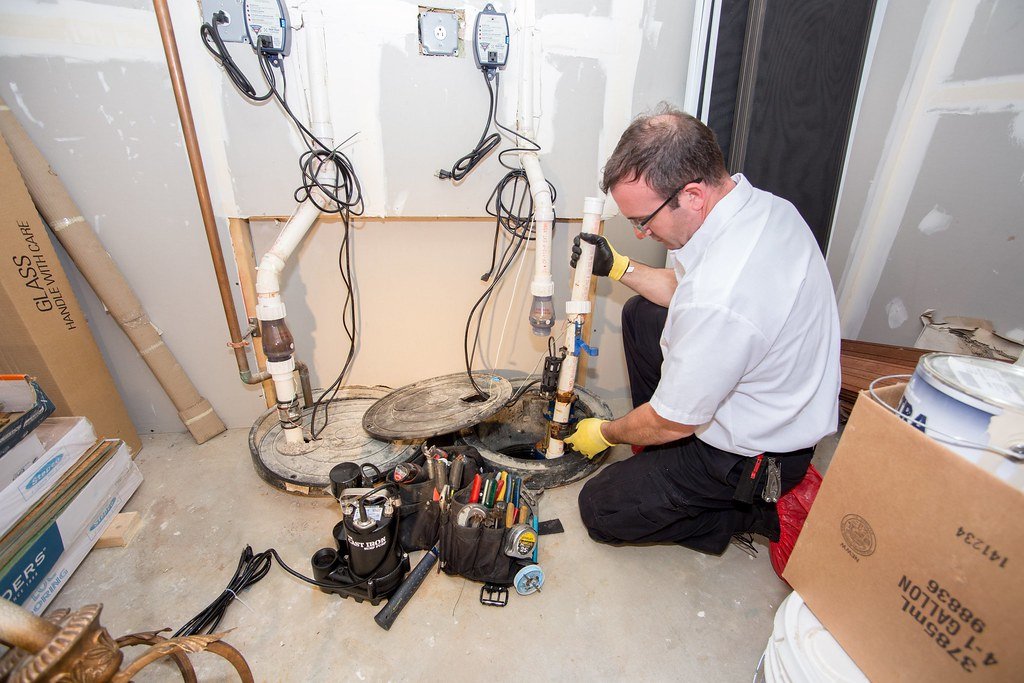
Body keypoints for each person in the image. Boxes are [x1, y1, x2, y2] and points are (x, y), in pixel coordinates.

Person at [562, 105, 841, 554]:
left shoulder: (724, 294)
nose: (639, 233)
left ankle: (747, 512)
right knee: (640, 315)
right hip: (769, 393)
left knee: (602, 509)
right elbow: (687, 291)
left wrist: (607, 432)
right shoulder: (761, 209)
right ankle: (662, 457)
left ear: (691, 194)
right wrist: (617, 267)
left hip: (754, 455)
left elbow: (673, 418)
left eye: (642, 220)